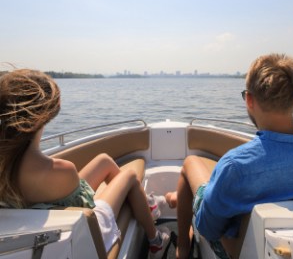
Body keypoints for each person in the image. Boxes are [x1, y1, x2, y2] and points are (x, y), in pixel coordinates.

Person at [166, 53, 293, 259]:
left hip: (237, 251)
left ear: (249, 99)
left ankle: (182, 249)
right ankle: (182, 198)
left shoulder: (235, 167)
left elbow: (208, 229)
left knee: (191, 163)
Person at [0, 69, 169, 258]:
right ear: (46, 116)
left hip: (27, 227)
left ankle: (148, 204)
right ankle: (156, 240)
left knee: (104, 160)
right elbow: (85, 206)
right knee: (129, 176)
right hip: (83, 232)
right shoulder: (61, 171)